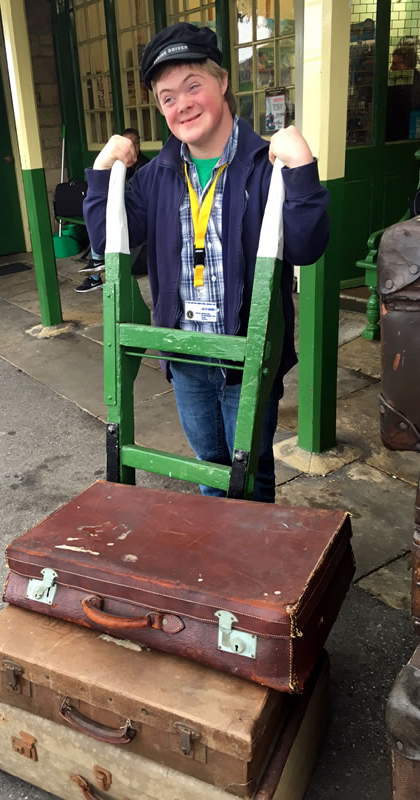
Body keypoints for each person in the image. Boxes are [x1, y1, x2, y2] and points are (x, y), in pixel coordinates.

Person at [83, 22, 329, 502]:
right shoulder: (155, 177)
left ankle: (250, 563)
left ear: (222, 83)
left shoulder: (265, 167)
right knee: (208, 467)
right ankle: (219, 561)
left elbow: (306, 247)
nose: (182, 104)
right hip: (186, 356)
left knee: (249, 470)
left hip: (247, 358)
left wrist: (301, 172)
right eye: (168, 97)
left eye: (193, 86)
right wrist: (101, 173)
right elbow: (105, 240)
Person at [76, 128, 150, 293]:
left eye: (136, 143)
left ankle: (96, 269)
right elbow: (103, 237)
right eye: (128, 143)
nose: (133, 147)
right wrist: (101, 167)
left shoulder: (146, 167)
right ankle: (95, 271)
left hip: (139, 249)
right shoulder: (121, 165)